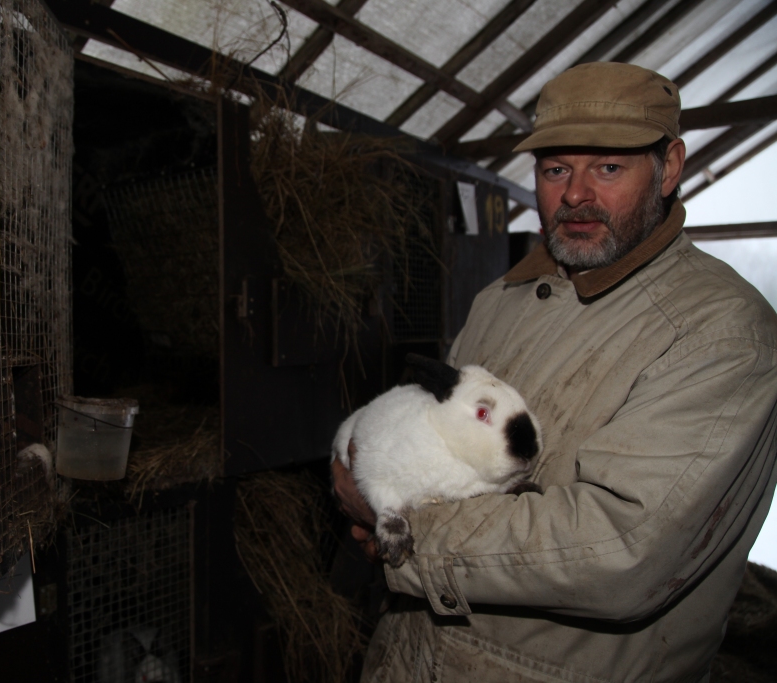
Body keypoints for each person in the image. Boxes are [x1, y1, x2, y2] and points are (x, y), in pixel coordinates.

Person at [332, 62, 777, 682]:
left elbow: (622, 554)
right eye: (556, 169)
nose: (575, 194)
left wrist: (401, 527)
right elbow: (433, 428)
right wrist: (373, 477)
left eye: (610, 167)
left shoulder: (720, 333)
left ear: (670, 167)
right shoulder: (503, 298)